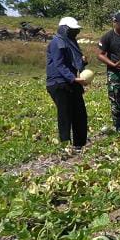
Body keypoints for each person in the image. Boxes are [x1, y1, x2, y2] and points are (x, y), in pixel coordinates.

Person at [46, 17, 89, 152]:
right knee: (65, 114)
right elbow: (59, 64)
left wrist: (83, 62)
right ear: (64, 28)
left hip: (70, 82)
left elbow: (74, 64)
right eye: (72, 30)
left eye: (76, 30)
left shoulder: (71, 42)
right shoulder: (56, 42)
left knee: (80, 114)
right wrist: (73, 79)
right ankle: (66, 146)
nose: (75, 33)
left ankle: (79, 145)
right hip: (58, 82)